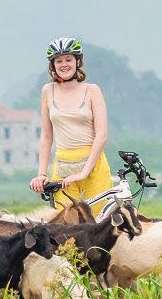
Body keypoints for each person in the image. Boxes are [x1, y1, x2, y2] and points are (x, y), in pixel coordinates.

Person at [28, 37, 111, 209]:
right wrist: (42, 174)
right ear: (53, 65)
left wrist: (83, 173)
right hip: (63, 164)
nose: (64, 64)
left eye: (68, 59)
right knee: (65, 228)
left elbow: (102, 135)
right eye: (59, 61)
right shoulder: (47, 91)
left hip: (93, 165)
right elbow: (46, 136)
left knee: (98, 225)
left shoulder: (92, 90)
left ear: (78, 62)